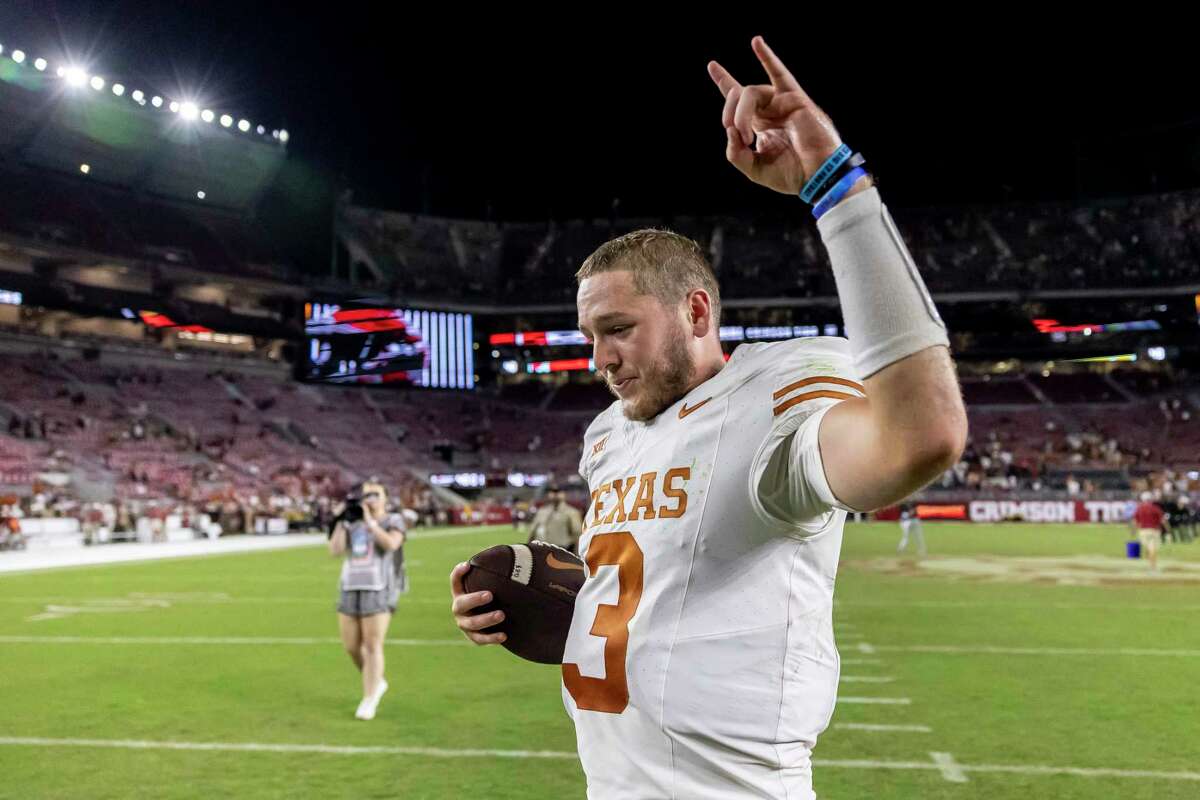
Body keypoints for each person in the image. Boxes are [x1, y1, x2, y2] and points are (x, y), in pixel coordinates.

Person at [450, 37, 966, 798]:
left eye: (618, 329)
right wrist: (542, 598)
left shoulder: (774, 398)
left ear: (696, 311)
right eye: (590, 337)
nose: (600, 359)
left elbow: (921, 437)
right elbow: (655, 582)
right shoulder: (607, 435)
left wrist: (835, 188)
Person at [329, 482, 407, 720]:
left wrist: (371, 523)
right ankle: (376, 682)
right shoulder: (353, 522)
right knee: (351, 646)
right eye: (366, 495)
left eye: (376, 494)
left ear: (385, 499)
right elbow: (335, 550)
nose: (370, 499)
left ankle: (369, 697)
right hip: (350, 585)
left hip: (379, 587)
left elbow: (392, 544)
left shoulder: (393, 520)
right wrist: (342, 521)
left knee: (372, 645)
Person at [526, 485, 584, 553]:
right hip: (540, 550)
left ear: (564, 494)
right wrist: (528, 547)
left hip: (561, 551)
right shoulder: (542, 511)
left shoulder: (571, 512)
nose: (555, 494)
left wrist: (576, 554)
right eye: (552, 492)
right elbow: (533, 530)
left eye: (558, 491)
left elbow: (577, 534)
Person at [1131, 491, 1167, 571]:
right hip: (1154, 531)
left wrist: (1133, 531)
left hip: (1143, 531)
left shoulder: (1139, 508)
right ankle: (1153, 566)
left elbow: (1135, 521)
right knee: (1152, 549)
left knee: (1148, 547)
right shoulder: (1156, 508)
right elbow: (1163, 520)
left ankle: (1150, 563)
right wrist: (1167, 530)